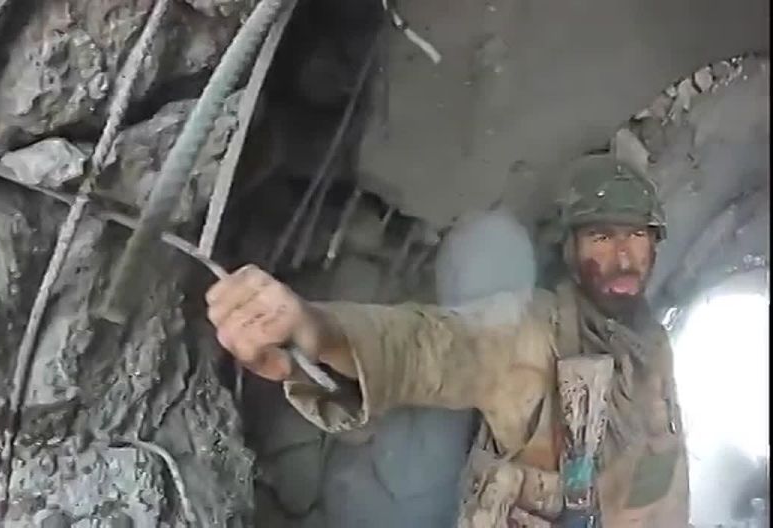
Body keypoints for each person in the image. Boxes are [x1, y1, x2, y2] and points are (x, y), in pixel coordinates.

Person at [205, 156, 690, 527]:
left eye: (636, 235)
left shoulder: (649, 339)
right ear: (570, 249)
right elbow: (430, 347)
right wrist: (317, 330)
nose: (623, 257)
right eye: (601, 237)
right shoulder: (533, 335)